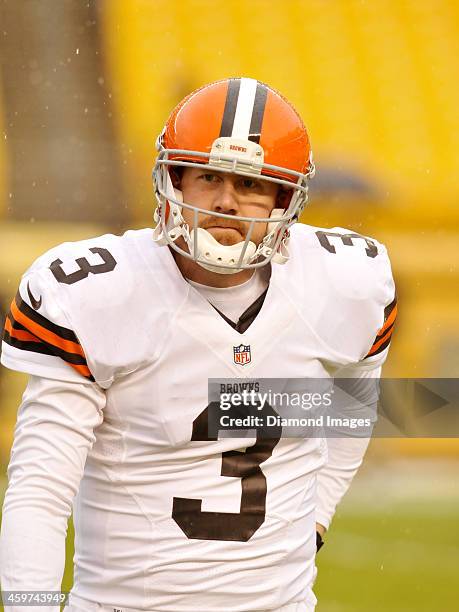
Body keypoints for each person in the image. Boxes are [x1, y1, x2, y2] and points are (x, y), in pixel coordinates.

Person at [0, 77, 396, 612]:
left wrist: (316, 519)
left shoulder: (346, 282)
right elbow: (40, 490)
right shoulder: (96, 294)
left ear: (286, 199)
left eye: (252, 185)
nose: (226, 202)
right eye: (208, 177)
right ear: (174, 181)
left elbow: (351, 408)